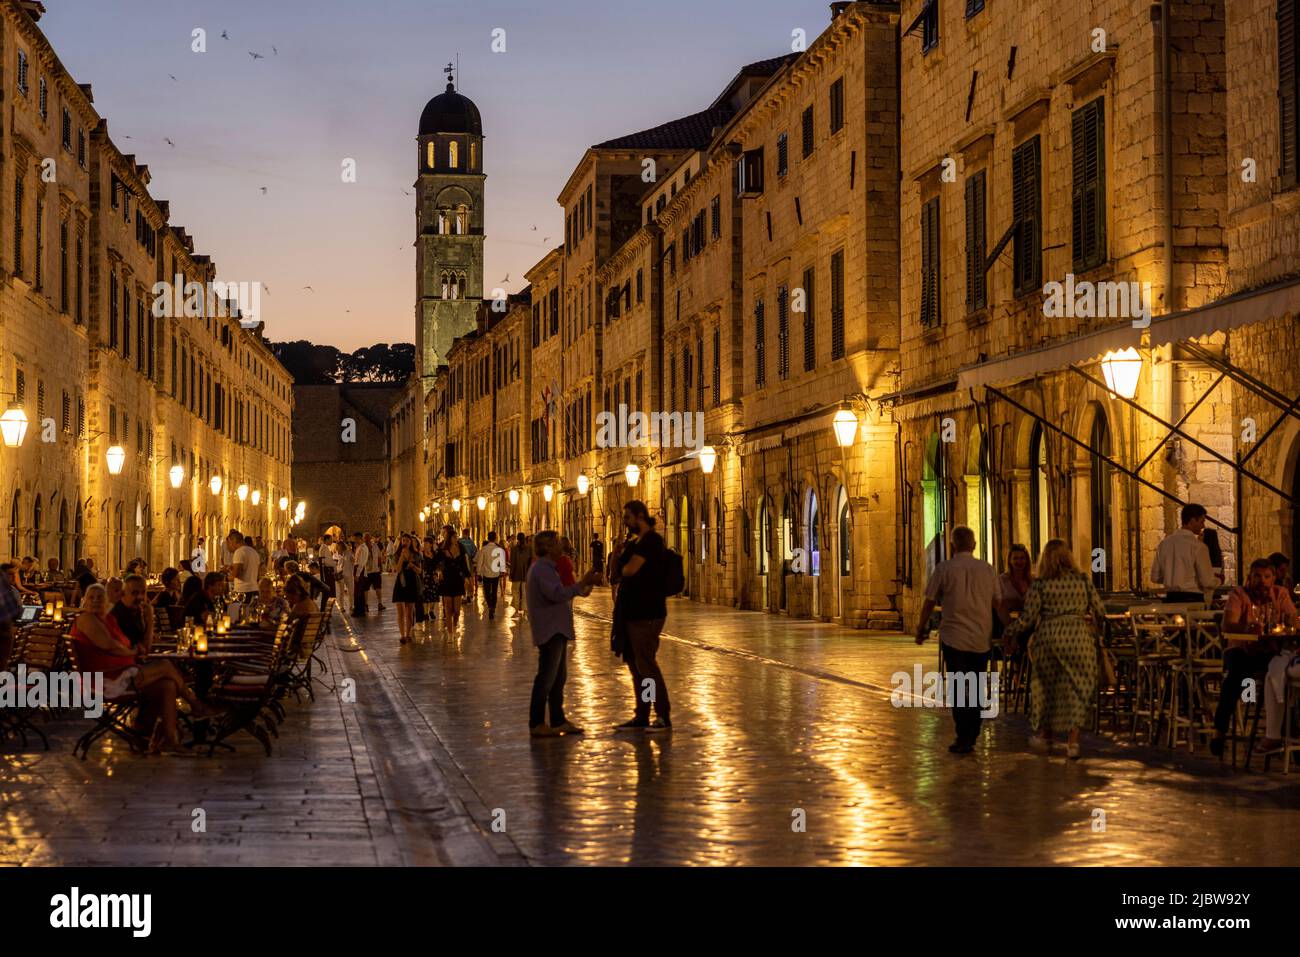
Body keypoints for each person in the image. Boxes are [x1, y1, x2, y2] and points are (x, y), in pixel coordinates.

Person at [72, 583, 220, 754]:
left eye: (100, 597)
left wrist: (149, 621)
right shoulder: (86, 619)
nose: (96, 600)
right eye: (91, 597)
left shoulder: (107, 620)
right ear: (84, 601)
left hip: (121, 673)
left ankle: (167, 740)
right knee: (165, 665)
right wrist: (132, 651)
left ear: (106, 600)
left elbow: (138, 646)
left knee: (168, 685)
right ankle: (195, 703)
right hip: (106, 680)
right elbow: (109, 645)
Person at [1003, 540, 1106, 759]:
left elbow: (1028, 618)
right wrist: (1099, 632)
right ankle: (1073, 742)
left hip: (1048, 638)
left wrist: (1010, 631)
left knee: (1047, 688)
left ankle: (1045, 734)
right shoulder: (1083, 580)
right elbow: (1099, 609)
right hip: (1079, 638)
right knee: (1079, 689)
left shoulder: (1040, 585)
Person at [914, 525, 998, 755]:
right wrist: (1008, 630)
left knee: (960, 686)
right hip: (981, 637)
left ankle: (964, 734)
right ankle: (973, 730)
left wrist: (921, 628)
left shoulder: (944, 569)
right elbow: (998, 603)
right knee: (978, 684)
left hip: (954, 638)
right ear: (973, 544)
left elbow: (930, 601)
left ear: (953, 545)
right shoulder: (988, 570)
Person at [1211, 557, 1299, 756]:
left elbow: (1292, 619)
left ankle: (1286, 735)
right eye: (1257, 577)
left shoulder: (1280, 594)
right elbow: (1227, 625)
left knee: (1283, 674)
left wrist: (1289, 621)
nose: (1263, 581)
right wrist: (1246, 627)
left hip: (1269, 651)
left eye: (1267, 577)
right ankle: (1220, 731)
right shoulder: (1239, 595)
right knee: (1236, 676)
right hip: (1240, 649)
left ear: (1273, 578)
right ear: (1249, 578)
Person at [525, 531, 601, 737]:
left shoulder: (548, 568)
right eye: (557, 543)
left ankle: (558, 720)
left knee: (559, 678)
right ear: (548, 547)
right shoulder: (542, 569)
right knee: (546, 678)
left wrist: (583, 585)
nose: (562, 546)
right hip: (550, 630)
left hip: (555, 628)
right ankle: (537, 722)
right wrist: (581, 582)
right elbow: (557, 594)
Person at [611, 500, 672, 732]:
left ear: (639, 516)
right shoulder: (637, 542)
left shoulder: (652, 541)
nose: (626, 524)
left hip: (647, 613)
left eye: (627, 518)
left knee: (646, 667)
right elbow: (616, 572)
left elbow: (629, 570)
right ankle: (642, 714)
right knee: (637, 667)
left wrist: (622, 559)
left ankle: (662, 714)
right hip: (633, 612)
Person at [1150, 503, 1216, 604]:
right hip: (1193, 601)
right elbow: (1207, 581)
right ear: (1193, 520)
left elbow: (1155, 577)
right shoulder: (1198, 547)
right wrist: (1219, 580)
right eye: (1202, 521)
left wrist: (1172, 576)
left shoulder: (1164, 544)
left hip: (1170, 600)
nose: (1203, 526)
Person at [996, 544, 1033, 657]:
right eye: (1015, 558)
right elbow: (998, 604)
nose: (1019, 561)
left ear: (1027, 560)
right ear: (1010, 560)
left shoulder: (1033, 580)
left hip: (1026, 622)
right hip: (1006, 622)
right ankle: (1020, 666)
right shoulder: (1002, 580)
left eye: (1022, 558)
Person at [437, 526, 472, 632]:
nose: (456, 539)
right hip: (446, 579)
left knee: (456, 610)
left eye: (456, 537)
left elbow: (464, 564)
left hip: (457, 579)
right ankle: (450, 633)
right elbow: (437, 562)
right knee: (448, 607)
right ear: (449, 538)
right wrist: (439, 571)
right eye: (454, 537)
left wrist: (467, 578)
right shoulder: (442, 548)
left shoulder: (461, 548)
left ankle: (455, 622)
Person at [111, 574, 156, 655]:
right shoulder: (120, 615)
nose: (140, 597)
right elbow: (145, 648)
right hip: (126, 664)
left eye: (143, 592)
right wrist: (150, 620)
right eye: (135, 593)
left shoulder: (136, 611)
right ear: (123, 593)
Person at [392, 543, 423, 644]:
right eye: (403, 540)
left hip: (411, 583)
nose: (405, 542)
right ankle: (402, 635)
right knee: (400, 611)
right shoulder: (397, 555)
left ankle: (408, 633)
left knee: (409, 611)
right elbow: (397, 569)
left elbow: (419, 571)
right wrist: (401, 557)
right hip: (400, 583)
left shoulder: (416, 555)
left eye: (407, 540)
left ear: (411, 542)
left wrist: (413, 566)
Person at [476, 531, 506, 620]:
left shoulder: (484, 549)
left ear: (488, 538)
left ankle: (490, 606)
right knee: (494, 591)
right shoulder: (499, 549)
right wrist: (502, 571)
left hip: (486, 574)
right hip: (495, 574)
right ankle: (493, 607)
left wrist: (478, 573)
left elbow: (480, 562)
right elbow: (502, 562)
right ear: (495, 538)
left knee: (487, 591)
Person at [0, 562, 24, 669]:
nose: (14, 577)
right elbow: (15, 612)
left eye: (15, 574)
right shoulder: (6, 588)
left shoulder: (13, 590)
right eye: (10, 574)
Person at [226, 529, 260, 599]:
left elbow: (237, 574)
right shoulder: (254, 552)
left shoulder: (239, 552)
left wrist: (225, 578)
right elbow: (257, 573)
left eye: (229, 542)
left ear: (234, 540)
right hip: (254, 589)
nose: (229, 545)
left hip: (243, 591)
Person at [509, 532, 530, 618]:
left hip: (516, 574)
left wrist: (511, 574)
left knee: (515, 592)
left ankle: (517, 610)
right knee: (525, 592)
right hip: (526, 574)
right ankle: (525, 611)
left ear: (517, 539)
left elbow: (512, 563)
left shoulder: (514, 549)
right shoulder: (529, 549)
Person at [351, 533, 370, 617]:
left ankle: (359, 611)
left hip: (360, 570)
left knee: (358, 591)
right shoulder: (359, 547)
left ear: (359, 538)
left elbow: (361, 562)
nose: (354, 541)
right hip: (357, 569)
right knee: (358, 591)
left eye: (355, 539)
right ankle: (360, 610)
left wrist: (357, 574)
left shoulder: (363, 548)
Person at [364, 533, 384, 612]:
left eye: (368, 538)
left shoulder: (375, 546)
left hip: (375, 570)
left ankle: (380, 603)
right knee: (366, 589)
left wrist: (381, 567)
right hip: (366, 571)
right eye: (365, 538)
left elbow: (379, 557)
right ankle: (366, 605)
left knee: (378, 587)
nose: (367, 539)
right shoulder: (362, 547)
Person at [459, 528, 478, 599]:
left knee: (462, 578)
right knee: (470, 577)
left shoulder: (459, 541)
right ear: (468, 534)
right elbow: (475, 551)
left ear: (463, 533)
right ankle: (470, 594)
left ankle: (463, 594)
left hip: (461, 561)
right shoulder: (471, 542)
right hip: (469, 561)